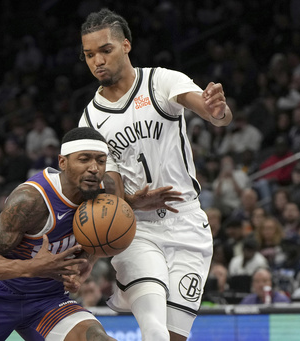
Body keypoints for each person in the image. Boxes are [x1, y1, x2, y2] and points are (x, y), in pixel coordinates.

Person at [78, 8, 232, 340]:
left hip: (187, 224)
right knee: (154, 329)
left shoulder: (160, 80)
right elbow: (111, 191)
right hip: (136, 228)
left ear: (126, 46)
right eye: (89, 55)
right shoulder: (90, 120)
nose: (97, 61)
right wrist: (133, 202)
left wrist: (216, 111)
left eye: (105, 50)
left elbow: (207, 109)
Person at [0, 127, 115, 340]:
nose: (94, 168)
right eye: (84, 159)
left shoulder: (107, 192)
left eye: (101, 160)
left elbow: (109, 232)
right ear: (62, 162)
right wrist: (32, 267)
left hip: (48, 299)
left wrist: (87, 261)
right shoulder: (31, 200)